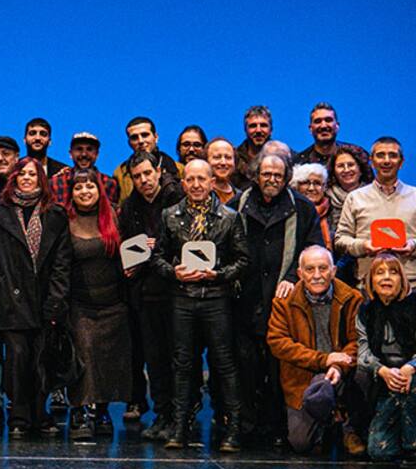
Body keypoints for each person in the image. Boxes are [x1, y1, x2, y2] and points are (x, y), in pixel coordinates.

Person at [150, 159, 248, 452]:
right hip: (182, 299)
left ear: (211, 182)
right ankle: (179, 427)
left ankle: (233, 428)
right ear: (183, 184)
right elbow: (157, 258)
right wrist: (173, 271)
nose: (195, 185)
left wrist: (219, 275)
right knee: (181, 364)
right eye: (190, 180)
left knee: (224, 364)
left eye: (201, 179)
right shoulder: (170, 216)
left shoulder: (229, 217)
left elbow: (243, 260)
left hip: (217, 299)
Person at [228, 153, 324, 446]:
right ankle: (245, 427)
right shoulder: (238, 205)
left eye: (277, 175)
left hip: (283, 304)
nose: (271, 180)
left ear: (286, 178)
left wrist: (294, 279)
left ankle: (277, 428)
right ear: (256, 175)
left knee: (278, 369)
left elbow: (313, 250)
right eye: (266, 174)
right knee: (244, 367)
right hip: (244, 300)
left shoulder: (302, 208)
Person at [0, 157, 72, 436]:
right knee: (17, 358)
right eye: (21, 174)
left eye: (32, 174)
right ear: (14, 178)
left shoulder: (55, 214)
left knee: (41, 359)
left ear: (41, 179)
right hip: (11, 298)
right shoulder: (0, 212)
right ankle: (19, 415)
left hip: (45, 298)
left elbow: (62, 260)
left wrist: (56, 299)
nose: (26, 178)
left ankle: (40, 413)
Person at [267, 245, 366, 455]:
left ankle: (347, 426)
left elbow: (357, 341)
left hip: (342, 374)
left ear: (333, 271)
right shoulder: (284, 302)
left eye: (323, 268)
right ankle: (330, 421)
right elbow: (277, 342)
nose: (317, 276)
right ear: (300, 273)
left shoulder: (352, 298)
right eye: (310, 269)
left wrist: (338, 366)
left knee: (365, 371)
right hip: (303, 377)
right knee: (300, 443)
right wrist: (323, 359)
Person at [118, 150, 185, 440]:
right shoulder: (130, 206)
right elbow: (127, 247)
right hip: (145, 294)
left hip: (174, 293)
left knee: (177, 359)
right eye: (137, 176)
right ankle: (161, 414)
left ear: (158, 170)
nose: (143, 180)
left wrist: (151, 248)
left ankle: (179, 418)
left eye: (147, 173)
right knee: (154, 361)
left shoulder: (176, 199)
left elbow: (182, 243)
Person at [356, 253, 416, 469]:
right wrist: (382, 370)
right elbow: (363, 352)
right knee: (378, 452)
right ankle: (402, 434)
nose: (386, 278)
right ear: (371, 281)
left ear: (402, 279)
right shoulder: (366, 310)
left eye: (393, 272)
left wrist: (410, 368)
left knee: (413, 389)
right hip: (384, 377)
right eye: (380, 272)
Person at [65, 168, 131, 439]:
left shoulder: (114, 216)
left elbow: (128, 253)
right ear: (71, 193)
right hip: (79, 304)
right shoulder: (63, 220)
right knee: (84, 357)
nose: (85, 192)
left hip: (114, 303)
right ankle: (80, 411)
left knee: (108, 360)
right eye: (79, 188)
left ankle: (102, 411)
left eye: (90, 186)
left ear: (98, 189)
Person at [335, 136, 416, 288]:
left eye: (393, 155)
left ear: (401, 162)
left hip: (409, 284)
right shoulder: (355, 198)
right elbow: (341, 239)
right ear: (372, 161)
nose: (386, 161)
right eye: (380, 155)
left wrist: (413, 246)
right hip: (368, 284)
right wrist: (364, 246)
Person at [113, 117, 181, 203]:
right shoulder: (120, 173)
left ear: (156, 137)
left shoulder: (179, 168)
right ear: (129, 143)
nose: (140, 141)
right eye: (134, 137)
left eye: (145, 135)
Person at [49, 132, 119, 208]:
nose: (84, 154)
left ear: (97, 154)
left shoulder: (109, 183)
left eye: (89, 149)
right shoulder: (55, 183)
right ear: (70, 154)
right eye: (79, 149)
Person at [294, 102, 370, 169]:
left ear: (337, 126)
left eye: (328, 120)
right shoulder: (300, 162)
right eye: (318, 121)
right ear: (310, 129)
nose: (323, 126)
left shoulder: (357, 155)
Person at [327, 146, 373, 231]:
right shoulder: (325, 198)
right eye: (340, 166)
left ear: (361, 168)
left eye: (351, 165)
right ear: (334, 171)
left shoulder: (374, 196)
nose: (346, 170)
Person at [291, 163, 333, 247]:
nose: (311, 188)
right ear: (296, 186)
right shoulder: (290, 211)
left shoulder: (333, 210)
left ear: (324, 187)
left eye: (317, 183)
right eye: (305, 183)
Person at [235, 106, 273, 187]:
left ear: (271, 130)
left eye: (263, 125)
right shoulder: (234, 159)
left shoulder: (285, 157)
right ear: (245, 130)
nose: (258, 130)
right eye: (253, 126)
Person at [206, 137, 240, 205]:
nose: (223, 163)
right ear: (206, 161)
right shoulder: (198, 193)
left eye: (228, 157)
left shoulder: (242, 198)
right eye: (217, 157)